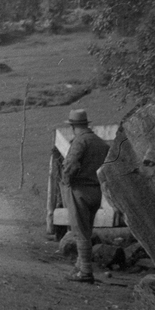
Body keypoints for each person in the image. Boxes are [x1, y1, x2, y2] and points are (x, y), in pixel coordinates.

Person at [61, 109, 109, 283]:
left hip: (79, 190)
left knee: (80, 231)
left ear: (73, 126)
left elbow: (71, 165)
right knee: (87, 230)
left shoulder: (80, 142)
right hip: (96, 191)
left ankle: (86, 271)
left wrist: (66, 181)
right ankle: (80, 267)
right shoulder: (101, 143)